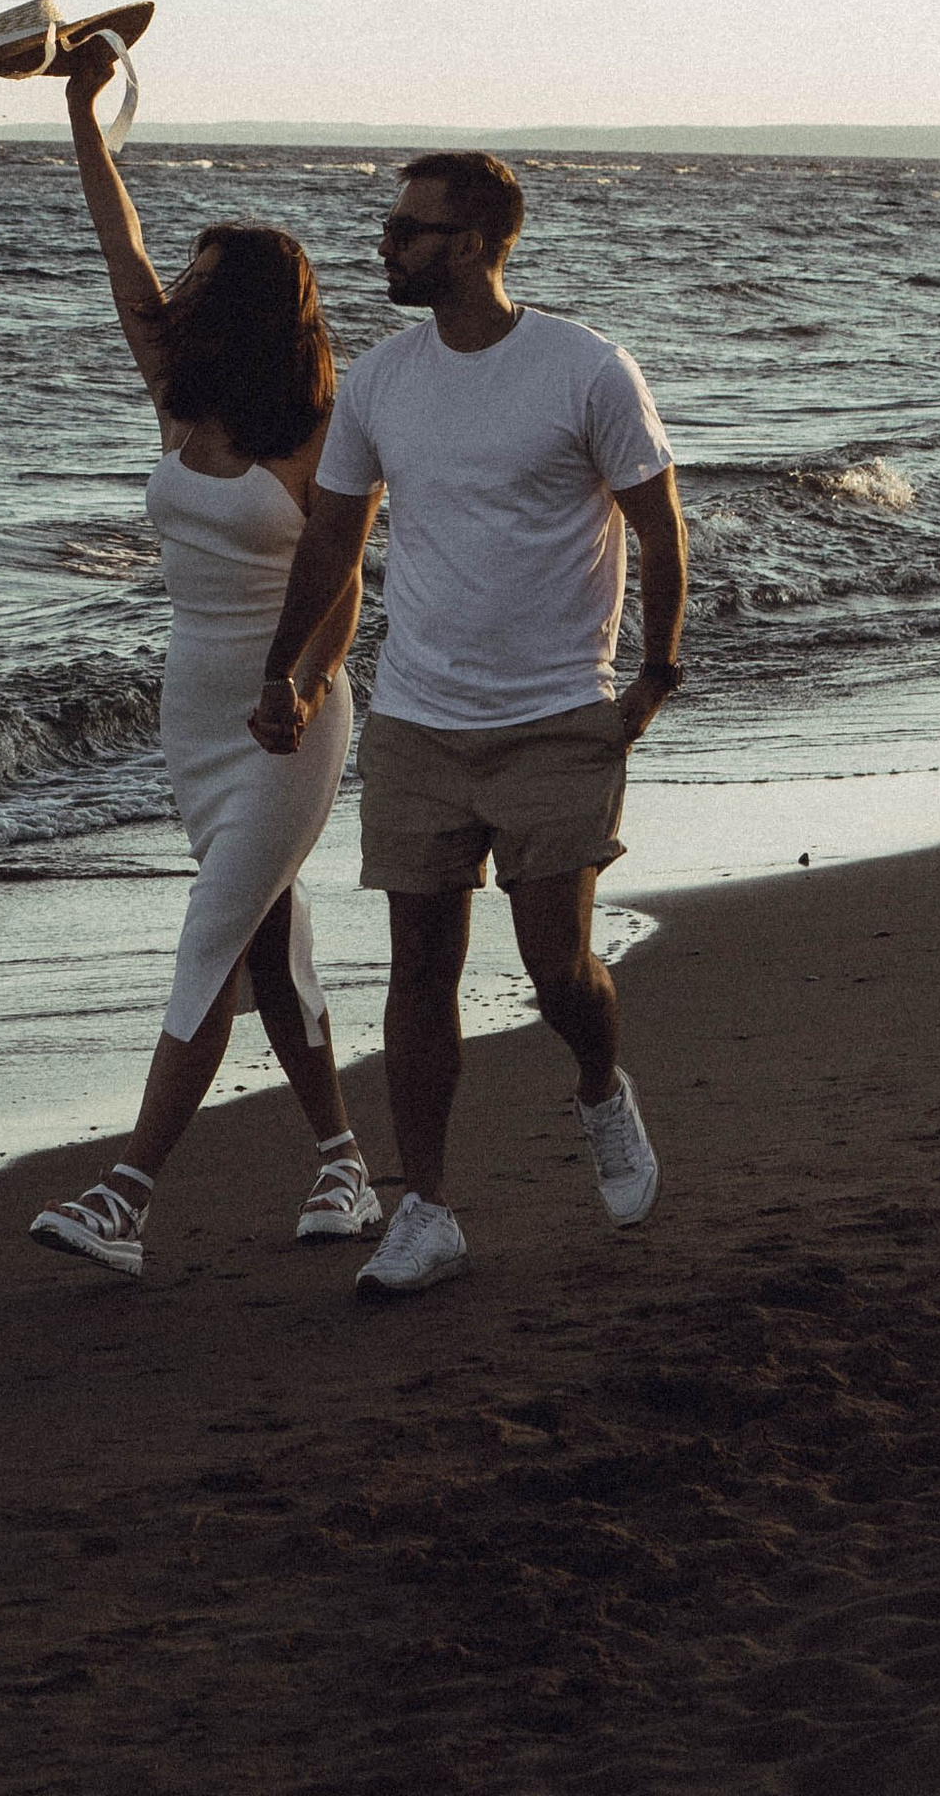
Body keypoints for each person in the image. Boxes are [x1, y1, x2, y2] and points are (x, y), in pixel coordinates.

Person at [248, 149, 687, 1297]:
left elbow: (658, 525)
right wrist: (287, 672)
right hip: (417, 720)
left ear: (481, 242)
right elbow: (334, 541)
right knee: (418, 971)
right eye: (390, 226)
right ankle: (428, 1209)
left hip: (555, 716)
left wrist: (655, 673)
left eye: (409, 230)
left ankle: (600, 1092)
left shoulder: (584, 369)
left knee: (556, 972)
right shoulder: (382, 382)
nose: (385, 245)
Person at [8, 42, 380, 1281]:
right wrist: (84, 115)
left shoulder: (323, 428)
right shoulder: (179, 398)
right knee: (267, 944)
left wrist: (306, 683)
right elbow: (117, 249)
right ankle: (341, 1162)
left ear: (258, 304)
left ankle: (127, 1197)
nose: (179, 285)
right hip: (193, 710)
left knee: (212, 937)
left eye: (205, 276)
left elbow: (342, 581)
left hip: (289, 719)